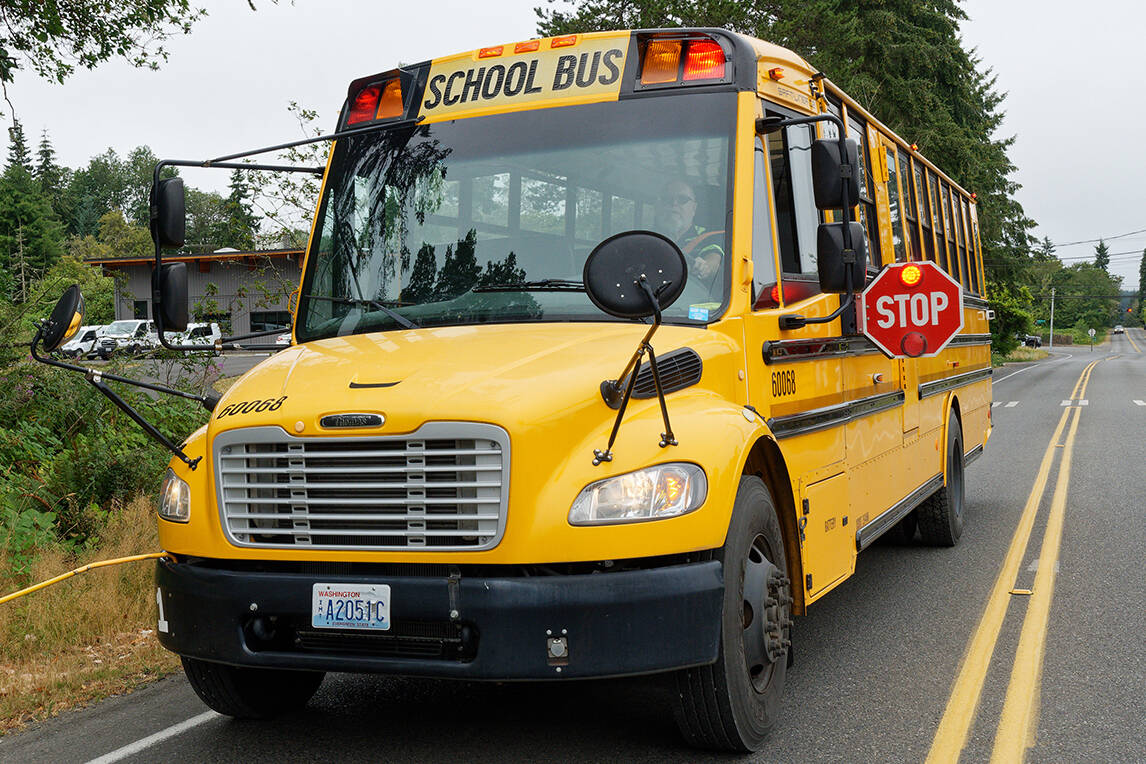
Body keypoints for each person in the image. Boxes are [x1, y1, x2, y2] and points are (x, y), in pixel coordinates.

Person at [654, 179, 725, 293]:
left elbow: (713, 260)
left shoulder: (707, 237)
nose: (674, 204)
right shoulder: (646, 237)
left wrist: (704, 268)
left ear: (694, 208)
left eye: (682, 199)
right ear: (658, 206)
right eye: (667, 199)